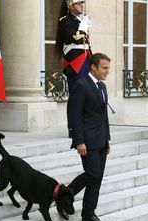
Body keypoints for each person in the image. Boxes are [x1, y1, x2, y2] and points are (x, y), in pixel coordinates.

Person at [68, 53, 111, 221]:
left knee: (97, 179)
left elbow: (103, 116)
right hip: (87, 140)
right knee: (92, 174)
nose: (107, 72)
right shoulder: (81, 85)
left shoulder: (102, 87)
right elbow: (74, 115)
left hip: (101, 140)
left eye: (108, 68)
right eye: (104, 68)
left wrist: (107, 139)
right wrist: (79, 141)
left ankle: (88, 216)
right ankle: (65, 193)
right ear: (93, 67)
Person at [55, 0, 92, 138]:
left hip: (85, 60)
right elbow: (75, 39)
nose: (82, 6)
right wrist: (83, 26)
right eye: (78, 4)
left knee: (86, 95)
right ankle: (73, 128)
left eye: (82, 3)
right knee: (76, 97)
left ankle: (83, 124)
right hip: (75, 63)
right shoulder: (65, 21)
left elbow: (86, 44)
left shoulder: (79, 21)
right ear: (71, 6)